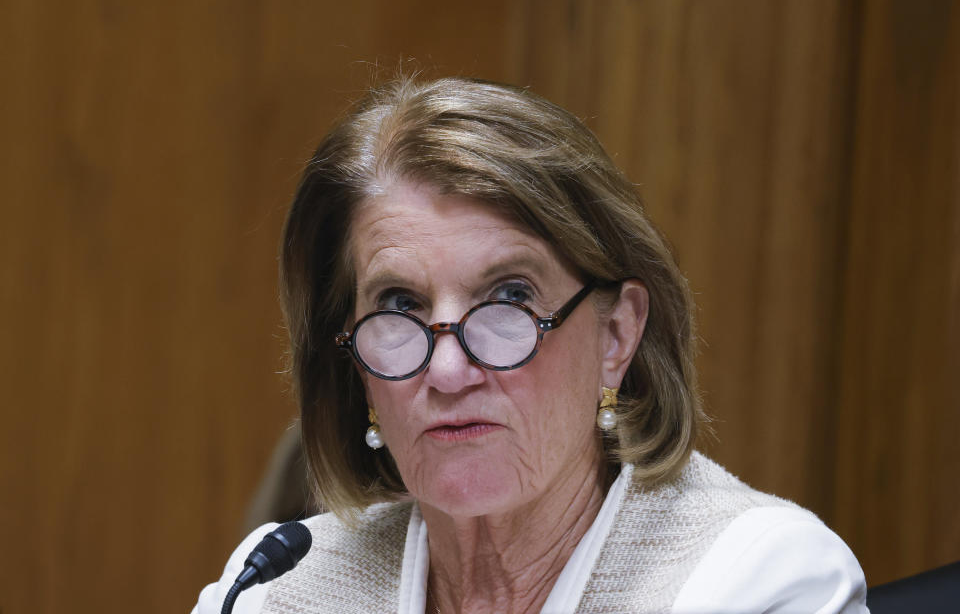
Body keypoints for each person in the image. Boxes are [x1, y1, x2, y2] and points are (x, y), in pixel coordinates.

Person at [193, 76, 868, 613]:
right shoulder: (276, 589)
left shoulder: (760, 582)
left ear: (617, 333)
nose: (450, 370)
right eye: (400, 306)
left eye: (509, 299)